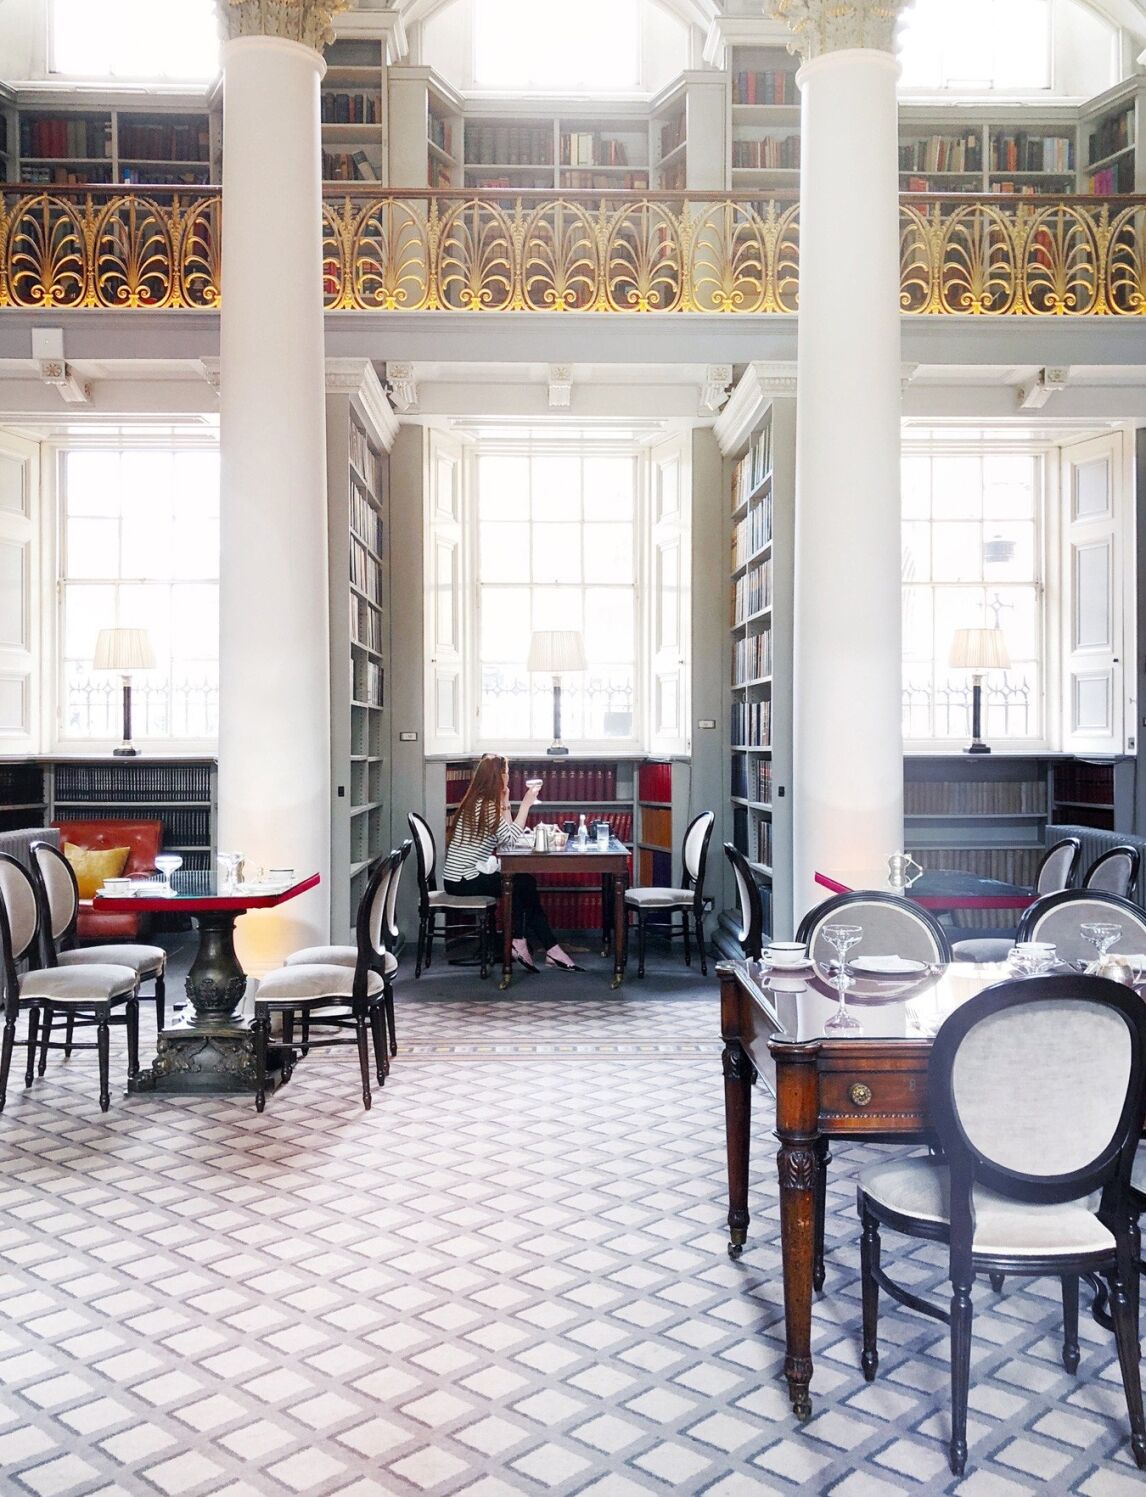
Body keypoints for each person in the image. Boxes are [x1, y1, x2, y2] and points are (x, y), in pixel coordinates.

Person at [443, 754, 582, 972]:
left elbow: (506, 837)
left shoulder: (481, 801)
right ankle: (526, 943)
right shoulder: (486, 806)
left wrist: (506, 803)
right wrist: (526, 804)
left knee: (524, 883)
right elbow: (510, 839)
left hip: (462, 876)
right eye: (506, 772)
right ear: (499, 776)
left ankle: (543, 947)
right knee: (520, 884)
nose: (509, 776)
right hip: (462, 880)